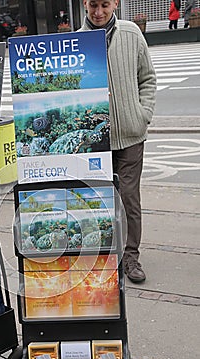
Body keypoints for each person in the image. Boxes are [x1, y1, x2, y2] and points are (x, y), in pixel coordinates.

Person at [79, 0, 156, 283]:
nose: (99, 13)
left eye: (105, 5)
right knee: (99, 200)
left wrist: (142, 114)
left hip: (131, 134)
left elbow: (147, 78)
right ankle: (107, 255)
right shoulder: (77, 41)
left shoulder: (131, 33)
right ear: (85, 4)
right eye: (93, 6)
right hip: (96, 141)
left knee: (128, 198)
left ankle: (131, 256)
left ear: (115, 4)